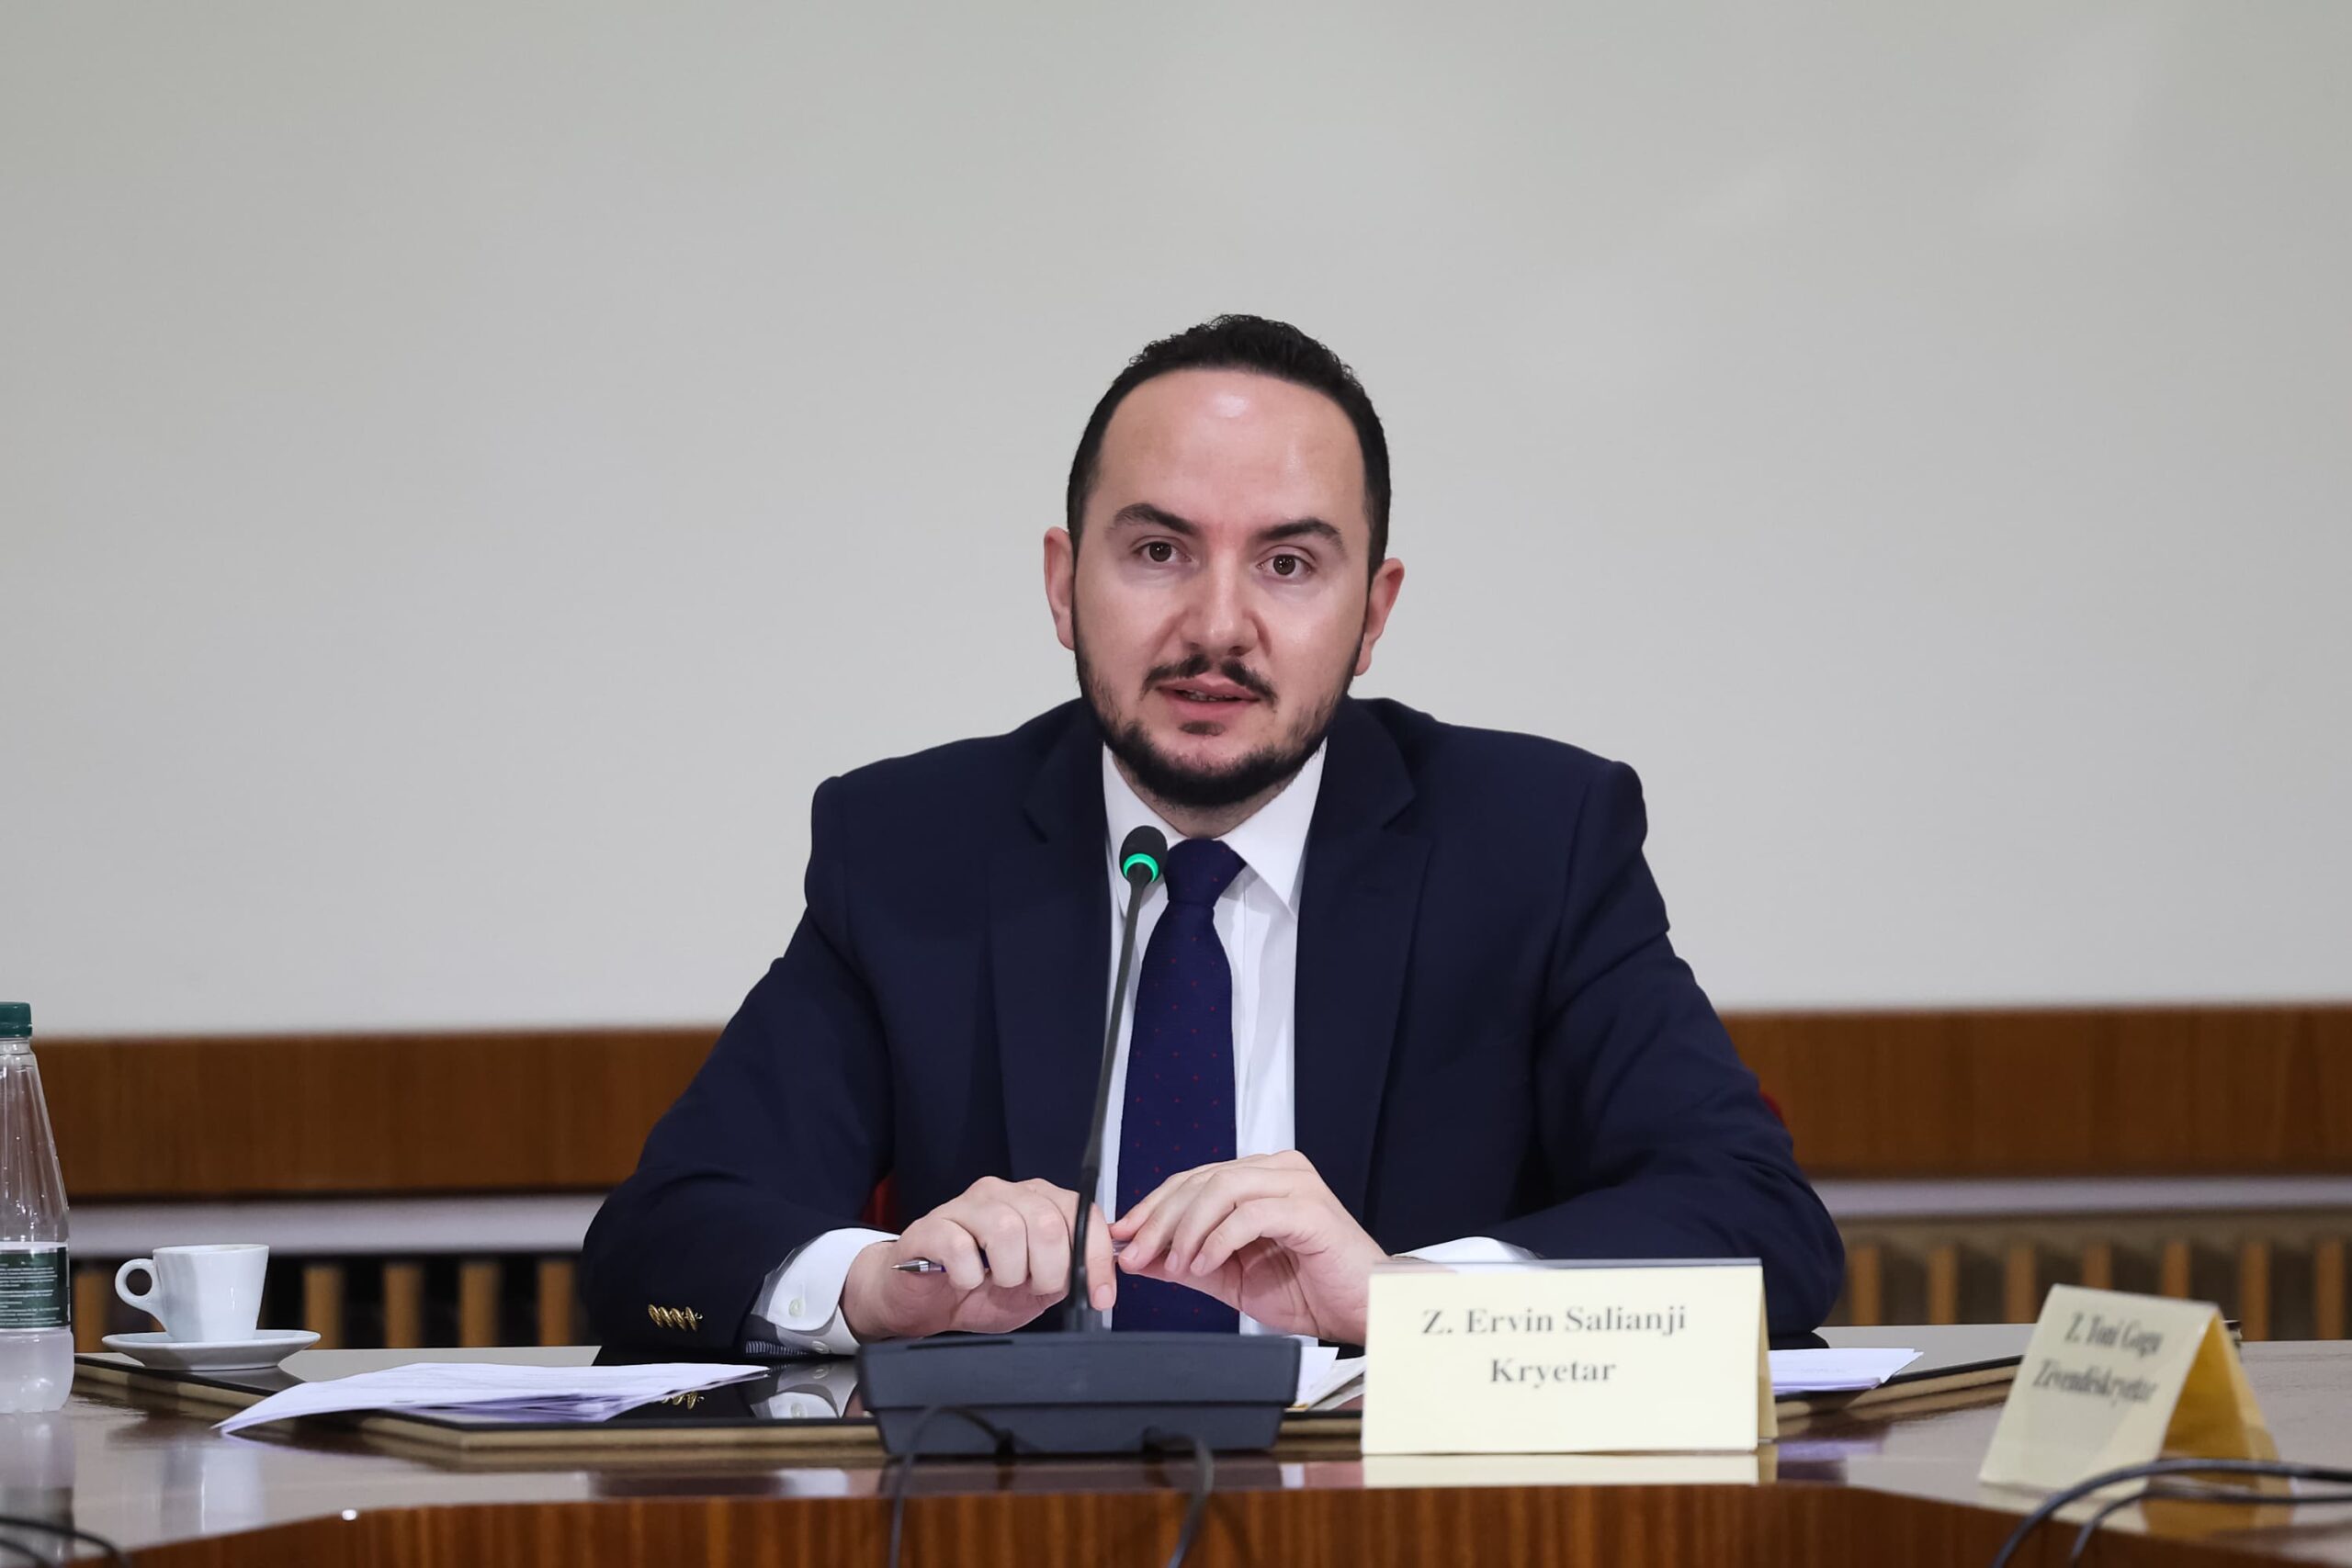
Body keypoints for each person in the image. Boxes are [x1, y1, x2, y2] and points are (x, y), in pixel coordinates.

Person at [581, 315, 1843, 1352]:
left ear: (1374, 612)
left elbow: (1759, 1225)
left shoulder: (1530, 844)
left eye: (1289, 564)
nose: (1218, 626)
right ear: (1063, 585)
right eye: (1159, 550)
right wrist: (878, 1286)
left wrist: (1404, 1300)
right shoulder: (912, 850)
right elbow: (660, 1243)